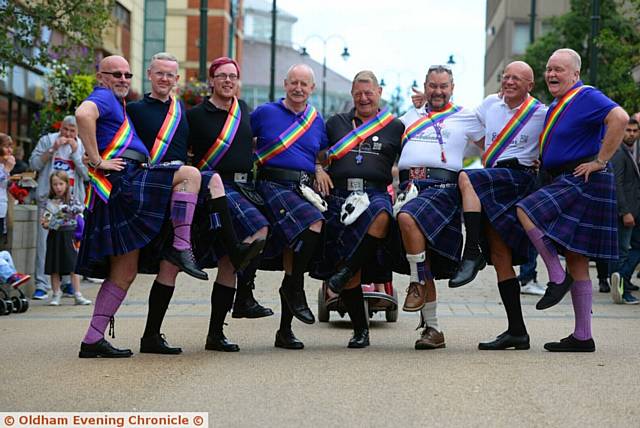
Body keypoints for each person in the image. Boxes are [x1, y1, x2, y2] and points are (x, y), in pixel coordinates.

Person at [75, 55, 205, 358]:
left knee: (125, 271)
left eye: (126, 75)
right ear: (101, 77)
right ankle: (181, 246)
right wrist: (95, 160)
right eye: (115, 74)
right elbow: (82, 115)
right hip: (126, 182)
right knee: (189, 174)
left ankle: (92, 339)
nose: (122, 79)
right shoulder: (104, 98)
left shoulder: (119, 106)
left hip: (123, 184)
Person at [516, 48, 629, 352]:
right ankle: (583, 336)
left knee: (526, 210)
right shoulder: (558, 103)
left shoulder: (587, 95)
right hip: (563, 176)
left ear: (576, 74)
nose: (551, 74)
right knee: (577, 256)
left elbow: (620, 117)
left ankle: (556, 275)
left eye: (559, 70)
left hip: (583, 177)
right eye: (549, 69)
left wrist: (601, 160)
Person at [447, 61, 546, 350]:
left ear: (530, 85)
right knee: (501, 254)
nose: (509, 81)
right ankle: (517, 331)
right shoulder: (490, 104)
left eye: (518, 78)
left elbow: (555, 144)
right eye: (506, 76)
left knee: (467, 177)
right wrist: (426, 105)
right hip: (494, 179)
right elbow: (462, 123)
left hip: (518, 179)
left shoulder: (540, 113)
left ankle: (472, 252)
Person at [397, 65, 484, 350]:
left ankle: (415, 283)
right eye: (433, 86)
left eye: (443, 86)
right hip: (408, 188)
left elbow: (491, 145)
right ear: (425, 86)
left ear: (452, 87)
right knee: (426, 261)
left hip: (442, 190)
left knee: (408, 219)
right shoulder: (410, 116)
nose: (437, 91)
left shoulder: (466, 117)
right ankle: (433, 330)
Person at [314, 70, 403, 348]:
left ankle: (344, 274)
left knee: (383, 216)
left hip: (375, 192)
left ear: (379, 93)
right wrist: (318, 168)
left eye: (369, 93)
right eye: (358, 94)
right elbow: (313, 150)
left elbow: (415, 154)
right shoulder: (335, 123)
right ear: (352, 95)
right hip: (340, 193)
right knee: (344, 255)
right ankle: (360, 330)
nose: (364, 98)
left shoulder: (395, 126)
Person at [186, 56, 269, 352]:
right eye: (222, 76)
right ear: (211, 80)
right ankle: (245, 298)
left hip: (244, 187)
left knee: (228, 263)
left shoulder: (244, 111)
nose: (228, 81)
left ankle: (215, 335)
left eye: (233, 76)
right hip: (214, 187)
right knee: (259, 230)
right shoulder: (195, 115)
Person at [251, 63, 328, 350]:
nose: (298, 88)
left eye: (303, 84)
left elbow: (320, 152)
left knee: (293, 255)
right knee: (314, 222)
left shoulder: (317, 120)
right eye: (293, 82)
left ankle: (285, 330)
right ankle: (293, 287)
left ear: (312, 88)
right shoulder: (264, 113)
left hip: (302, 188)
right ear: (285, 84)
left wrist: (319, 165)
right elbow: (241, 142)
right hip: (271, 186)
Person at [29, 116, 88, 300]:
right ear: (60, 127)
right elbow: (34, 164)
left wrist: (77, 153)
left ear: (77, 132)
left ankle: (68, 284)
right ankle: (42, 284)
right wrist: (52, 149)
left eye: (72, 131)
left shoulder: (82, 146)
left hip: (71, 204)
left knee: (70, 245)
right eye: (65, 129)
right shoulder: (48, 140)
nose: (68, 134)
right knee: (45, 243)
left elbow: (87, 174)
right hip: (49, 201)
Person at [40, 171, 91, 306]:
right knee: (54, 266)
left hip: (69, 235)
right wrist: (48, 222)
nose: (58, 187)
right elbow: (44, 222)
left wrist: (67, 210)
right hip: (54, 236)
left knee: (73, 265)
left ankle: (77, 294)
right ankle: (56, 294)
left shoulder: (72, 200)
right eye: (55, 184)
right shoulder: (48, 202)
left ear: (67, 185)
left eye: (61, 184)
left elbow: (80, 209)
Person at [609, 118, 640, 304]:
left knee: (631, 248)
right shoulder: (619, 153)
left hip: (634, 211)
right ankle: (622, 285)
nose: (631, 134)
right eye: (628, 130)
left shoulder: (631, 152)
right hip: (625, 212)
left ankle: (621, 282)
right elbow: (617, 184)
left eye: (635, 131)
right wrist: (625, 211)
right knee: (624, 251)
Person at [0, 134, 15, 249]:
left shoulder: (4, 165)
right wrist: (7, 170)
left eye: (11, 146)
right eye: (6, 146)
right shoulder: (5, 167)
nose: (9, 150)